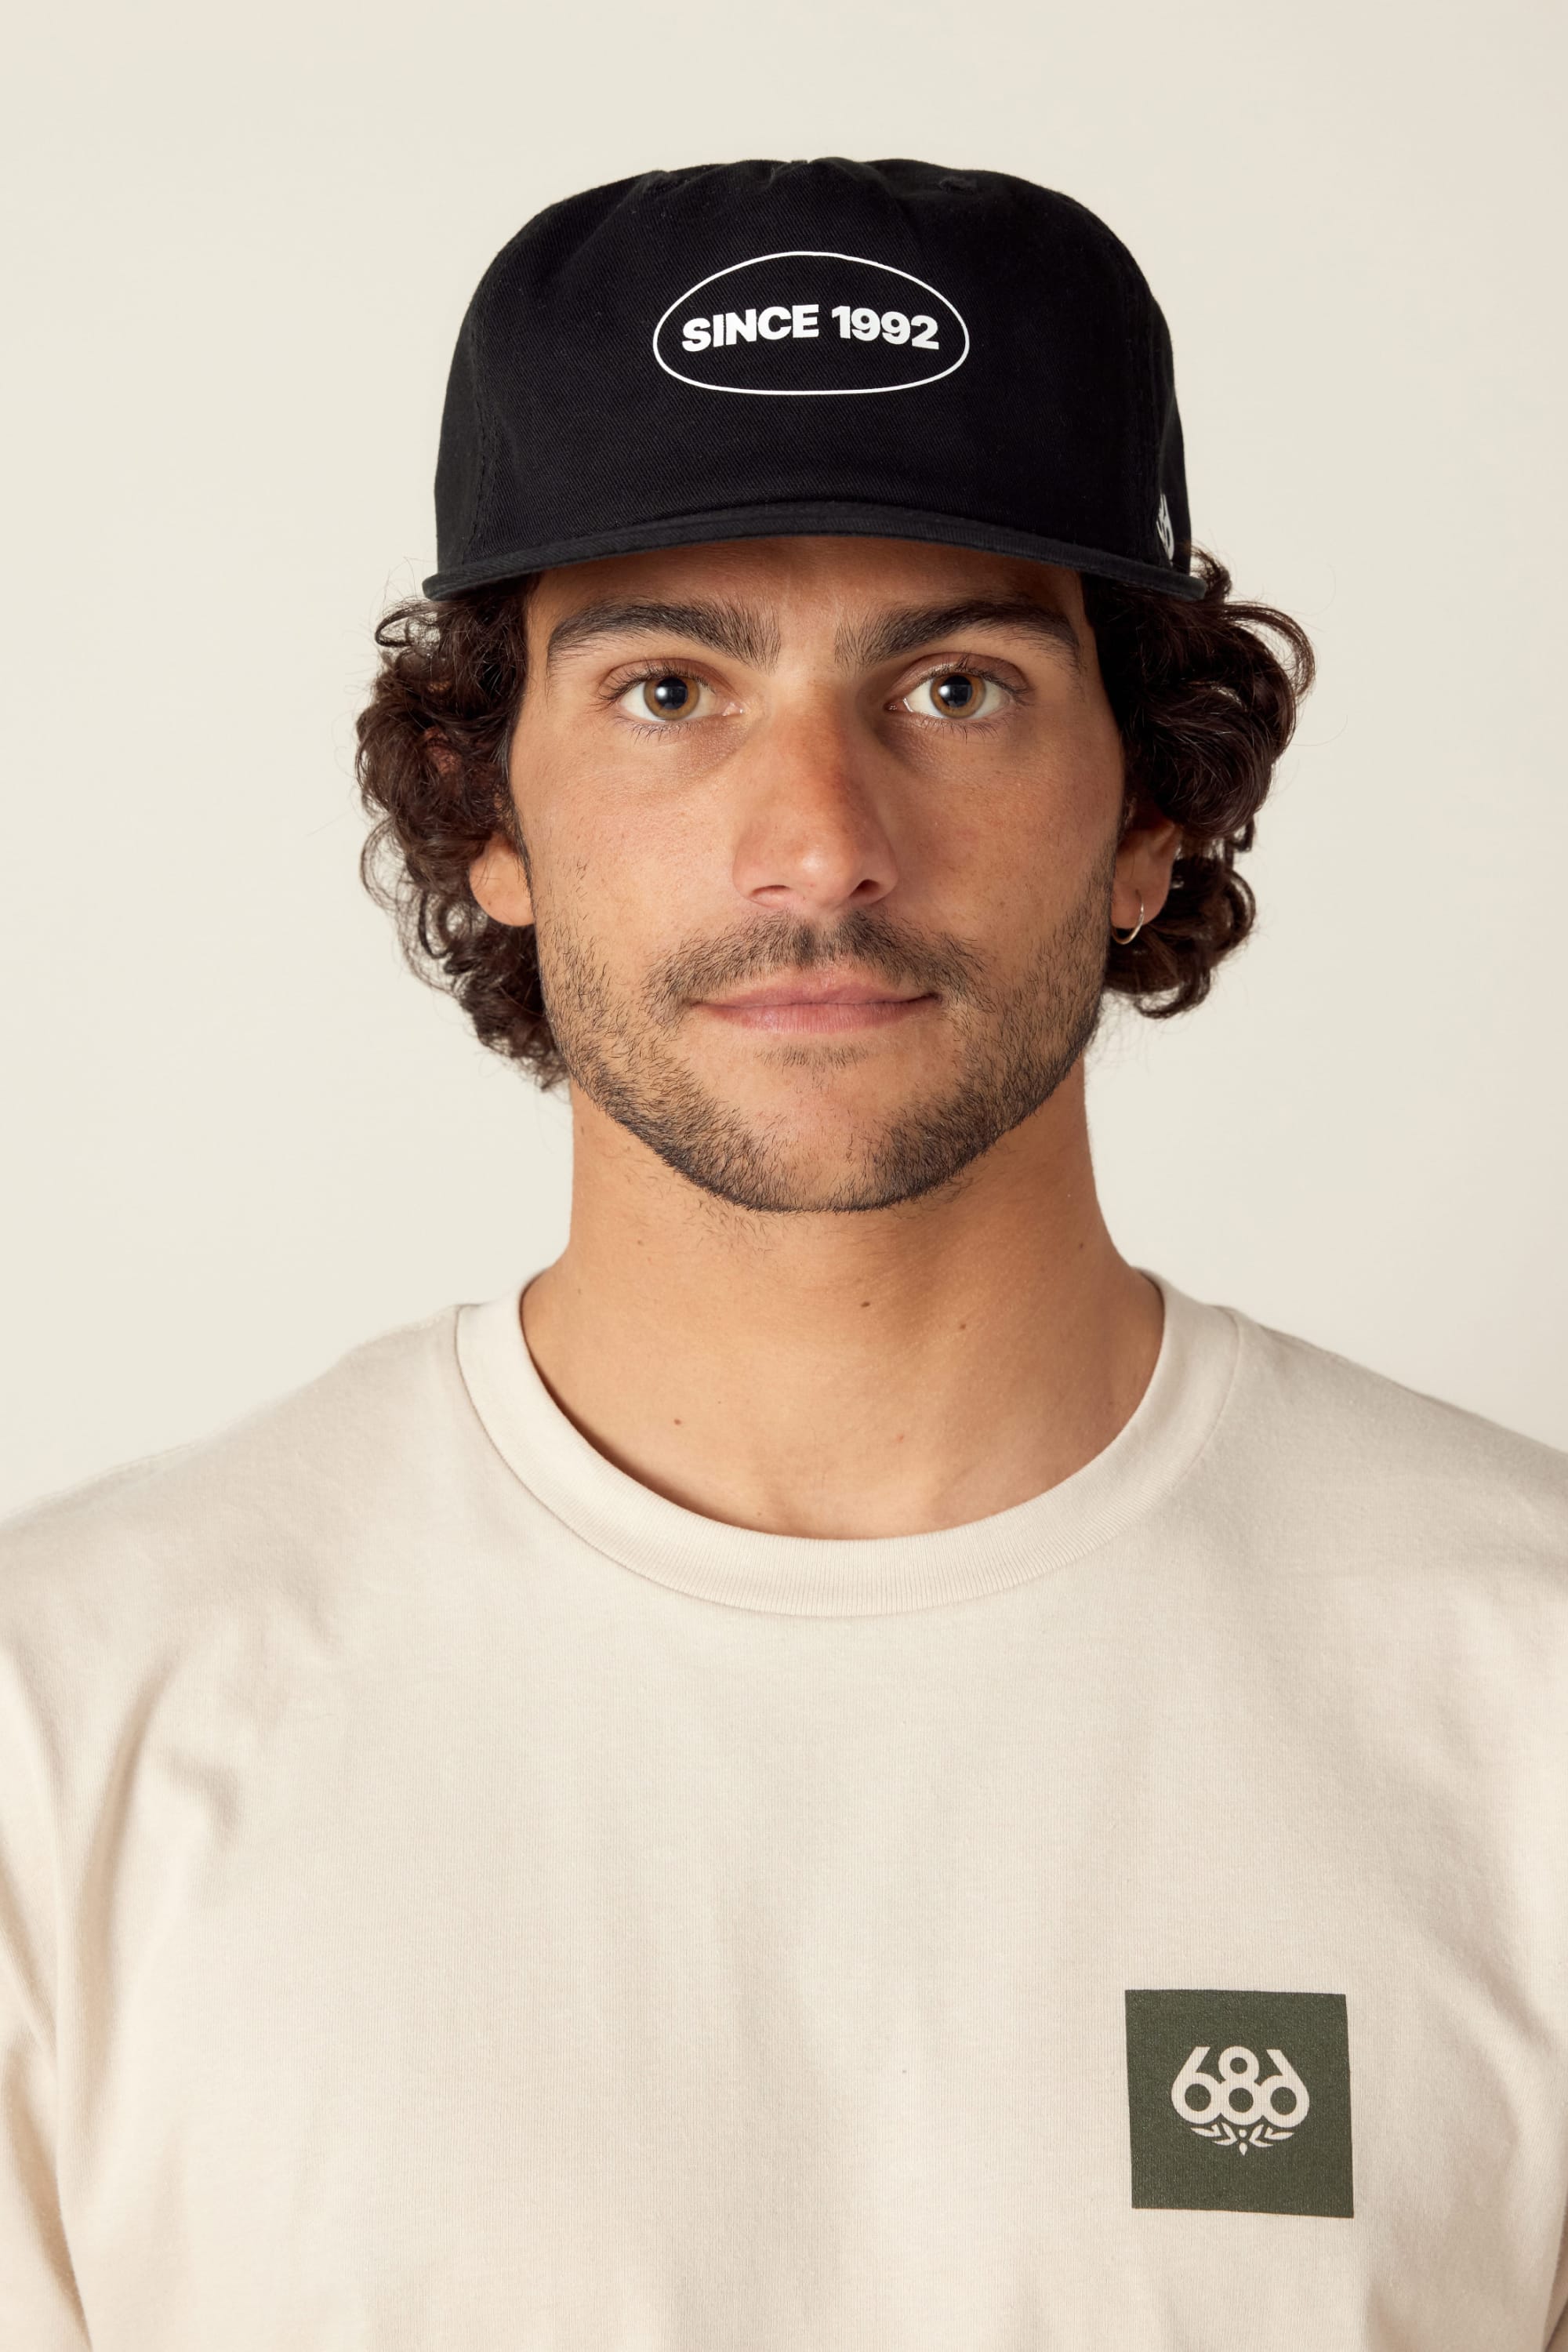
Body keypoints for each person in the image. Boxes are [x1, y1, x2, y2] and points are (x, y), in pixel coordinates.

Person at [2, 156, 1564, 2352]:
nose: (818, 839)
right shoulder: (67, 1733)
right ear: (488, 815)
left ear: (1152, 812)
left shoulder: (1527, 1704)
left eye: (956, 691)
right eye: (667, 691)